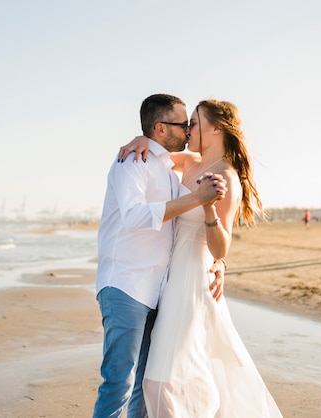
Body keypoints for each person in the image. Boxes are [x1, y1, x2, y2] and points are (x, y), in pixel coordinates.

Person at [119, 99, 282, 417]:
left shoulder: (227, 177)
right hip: (170, 280)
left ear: (216, 128)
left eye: (194, 122)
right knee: (182, 373)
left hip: (194, 283)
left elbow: (221, 248)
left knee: (158, 381)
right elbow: (156, 149)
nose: (188, 129)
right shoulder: (190, 162)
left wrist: (208, 207)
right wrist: (140, 139)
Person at [94, 94, 228, 418]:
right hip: (125, 285)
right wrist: (198, 198)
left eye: (189, 124)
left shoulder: (169, 168)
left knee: (143, 385)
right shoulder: (132, 161)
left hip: (159, 291)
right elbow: (136, 217)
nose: (187, 131)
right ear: (160, 129)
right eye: (182, 125)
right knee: (118, 384)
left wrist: (219, 261)